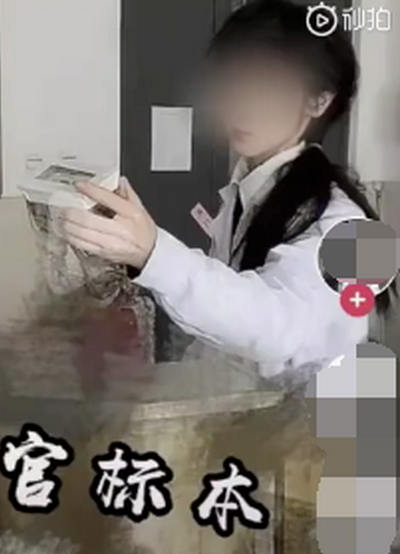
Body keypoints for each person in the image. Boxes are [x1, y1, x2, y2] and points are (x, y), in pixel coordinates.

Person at [63, 0, 397, 381]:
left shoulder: (340, 225)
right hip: (249, 412)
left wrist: (152, 252)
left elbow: (272, 327)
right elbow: (223, 330)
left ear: (318, 101)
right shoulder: (246, 192)